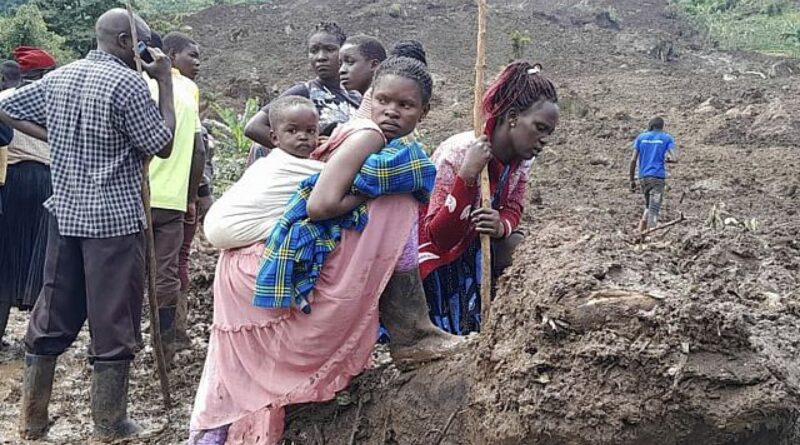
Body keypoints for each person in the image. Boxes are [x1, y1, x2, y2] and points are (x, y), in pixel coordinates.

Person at [189, 56, 450, 445]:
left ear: (424, 111)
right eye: (384, 101)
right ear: (370, 99)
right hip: (252, 268)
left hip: (244, 260)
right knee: (398, 200)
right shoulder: (368, 136)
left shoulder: (367, 137)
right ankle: (411, 330)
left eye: (405, 105)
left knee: (233, 379)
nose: (392, 112)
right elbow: (321, 205)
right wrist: (366, 193)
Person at [0, 8, 176, 441]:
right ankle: (110, 423)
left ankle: (33, 421)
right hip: (113, 224)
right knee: (114, 320)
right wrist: (165, 83)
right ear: (125, 44)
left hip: (65, 215)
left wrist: (52, 135)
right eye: (143, 44)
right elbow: (163, 143)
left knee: (52, 314)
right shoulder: (128, 83)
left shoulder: (59, 78)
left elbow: (4, 107)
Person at [419, 61, 560, 335]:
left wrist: (500, 226)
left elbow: (514, 206)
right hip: (439, 256)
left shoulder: (521, 162)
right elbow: (438, 236)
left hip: (475, 249)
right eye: (539, 127)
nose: (544, 140)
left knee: (519, 245)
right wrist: (467, 177)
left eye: (549, 133)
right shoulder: (459, 153)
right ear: (513, 117)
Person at [146, 31, 205, 364]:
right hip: (171, 198)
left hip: (135, 195)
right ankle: (165, 346)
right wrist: (191, 196)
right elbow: (198, 148)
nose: (197, 63)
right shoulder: (186, 89)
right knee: (166, 273)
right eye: (192, 55)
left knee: (128, 271)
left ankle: (119, 344)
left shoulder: (135, 83)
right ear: (168, 54)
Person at [0, 48, 57, 347]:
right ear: (45, 75)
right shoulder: (53, 100)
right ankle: (36, 340)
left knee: (5, 261)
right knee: (42, 261)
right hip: (46, 182)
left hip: (10, 183)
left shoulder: (5, 100)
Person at [244, 22, 360, 160]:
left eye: (329, 49)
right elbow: (253, 127)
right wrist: (310, 154)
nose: (320, 57)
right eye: (314, 50)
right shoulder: (304, 92)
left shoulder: (356, 96)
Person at [629, 116, 677, 232]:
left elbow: (633, 160)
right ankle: (651, 235)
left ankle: (640, 232)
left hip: (643, 178)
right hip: (657, 178)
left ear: (651, 126)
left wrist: (631, 180)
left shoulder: (641, 137)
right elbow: (674, 158)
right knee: (654, 208)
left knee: (648, 206)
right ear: (662, 127)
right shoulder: (667, 138)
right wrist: (667, 159)